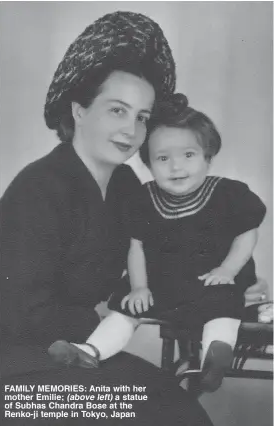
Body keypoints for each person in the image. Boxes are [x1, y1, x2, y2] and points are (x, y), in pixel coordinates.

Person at [0, 11, 216, 426]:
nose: (132, 131)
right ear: (79, 109)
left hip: (79, 354)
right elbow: (19, 313)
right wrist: (102, 318)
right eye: (117, 110)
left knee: (182, 414)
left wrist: (229, 275)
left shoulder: (126, 187)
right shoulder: (37, 188)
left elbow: (163, 259)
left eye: (142, 117)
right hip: (19, 366)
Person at [48, 94, 267, 395]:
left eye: (188, 155)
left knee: (223, 305)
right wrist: (139, 286)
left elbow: (247, 233)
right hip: (162, 283)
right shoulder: (142, 200)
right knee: (126, 309)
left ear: (208, 157)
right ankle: (91, 351)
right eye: (163, 158)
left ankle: (214, 358)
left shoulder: (228, 194)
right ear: (149, 164)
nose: (176, 167)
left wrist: (228, 269)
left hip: (213, 278)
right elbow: (136, 246)